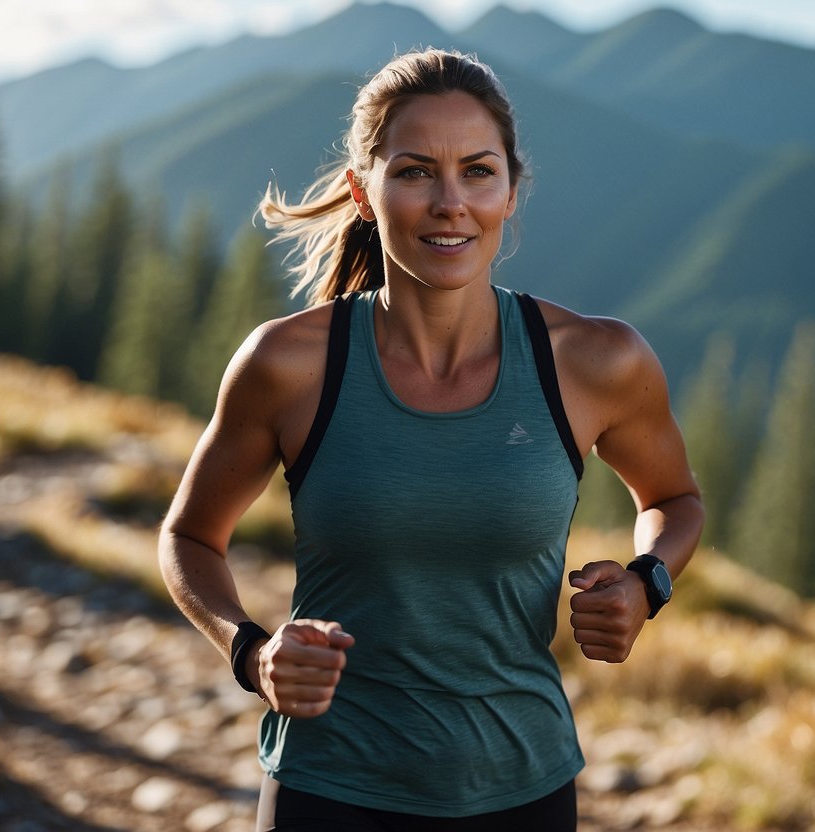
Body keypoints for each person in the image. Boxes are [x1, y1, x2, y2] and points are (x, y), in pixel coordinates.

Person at [158, 48, 704, 832]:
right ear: (363, 191)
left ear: (511, 190)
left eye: (477, 171)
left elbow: (675, 499)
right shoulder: (289, 364)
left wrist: (647, 582)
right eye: (414, 171)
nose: (451, 203)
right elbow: (187, 537)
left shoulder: (594, 361)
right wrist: (251, 652)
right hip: (330, 788)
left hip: (522, 786)